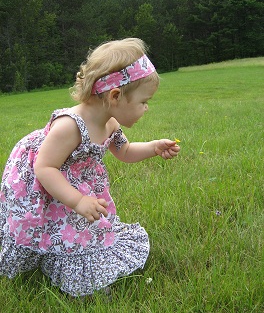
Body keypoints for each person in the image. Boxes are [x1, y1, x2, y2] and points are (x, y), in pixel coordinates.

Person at [0, 38, 180, 297]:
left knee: (81, 228)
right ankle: (60, 264)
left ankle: (79, 262)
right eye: (143, 101)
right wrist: (77, 200)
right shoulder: (70, 126)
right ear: (115, 96)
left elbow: (125, 152)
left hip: (71, 181)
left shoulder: (110, 123)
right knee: (53, 224)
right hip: (42, 179)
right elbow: (45, 167)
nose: (146, 108)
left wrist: (153, 147)